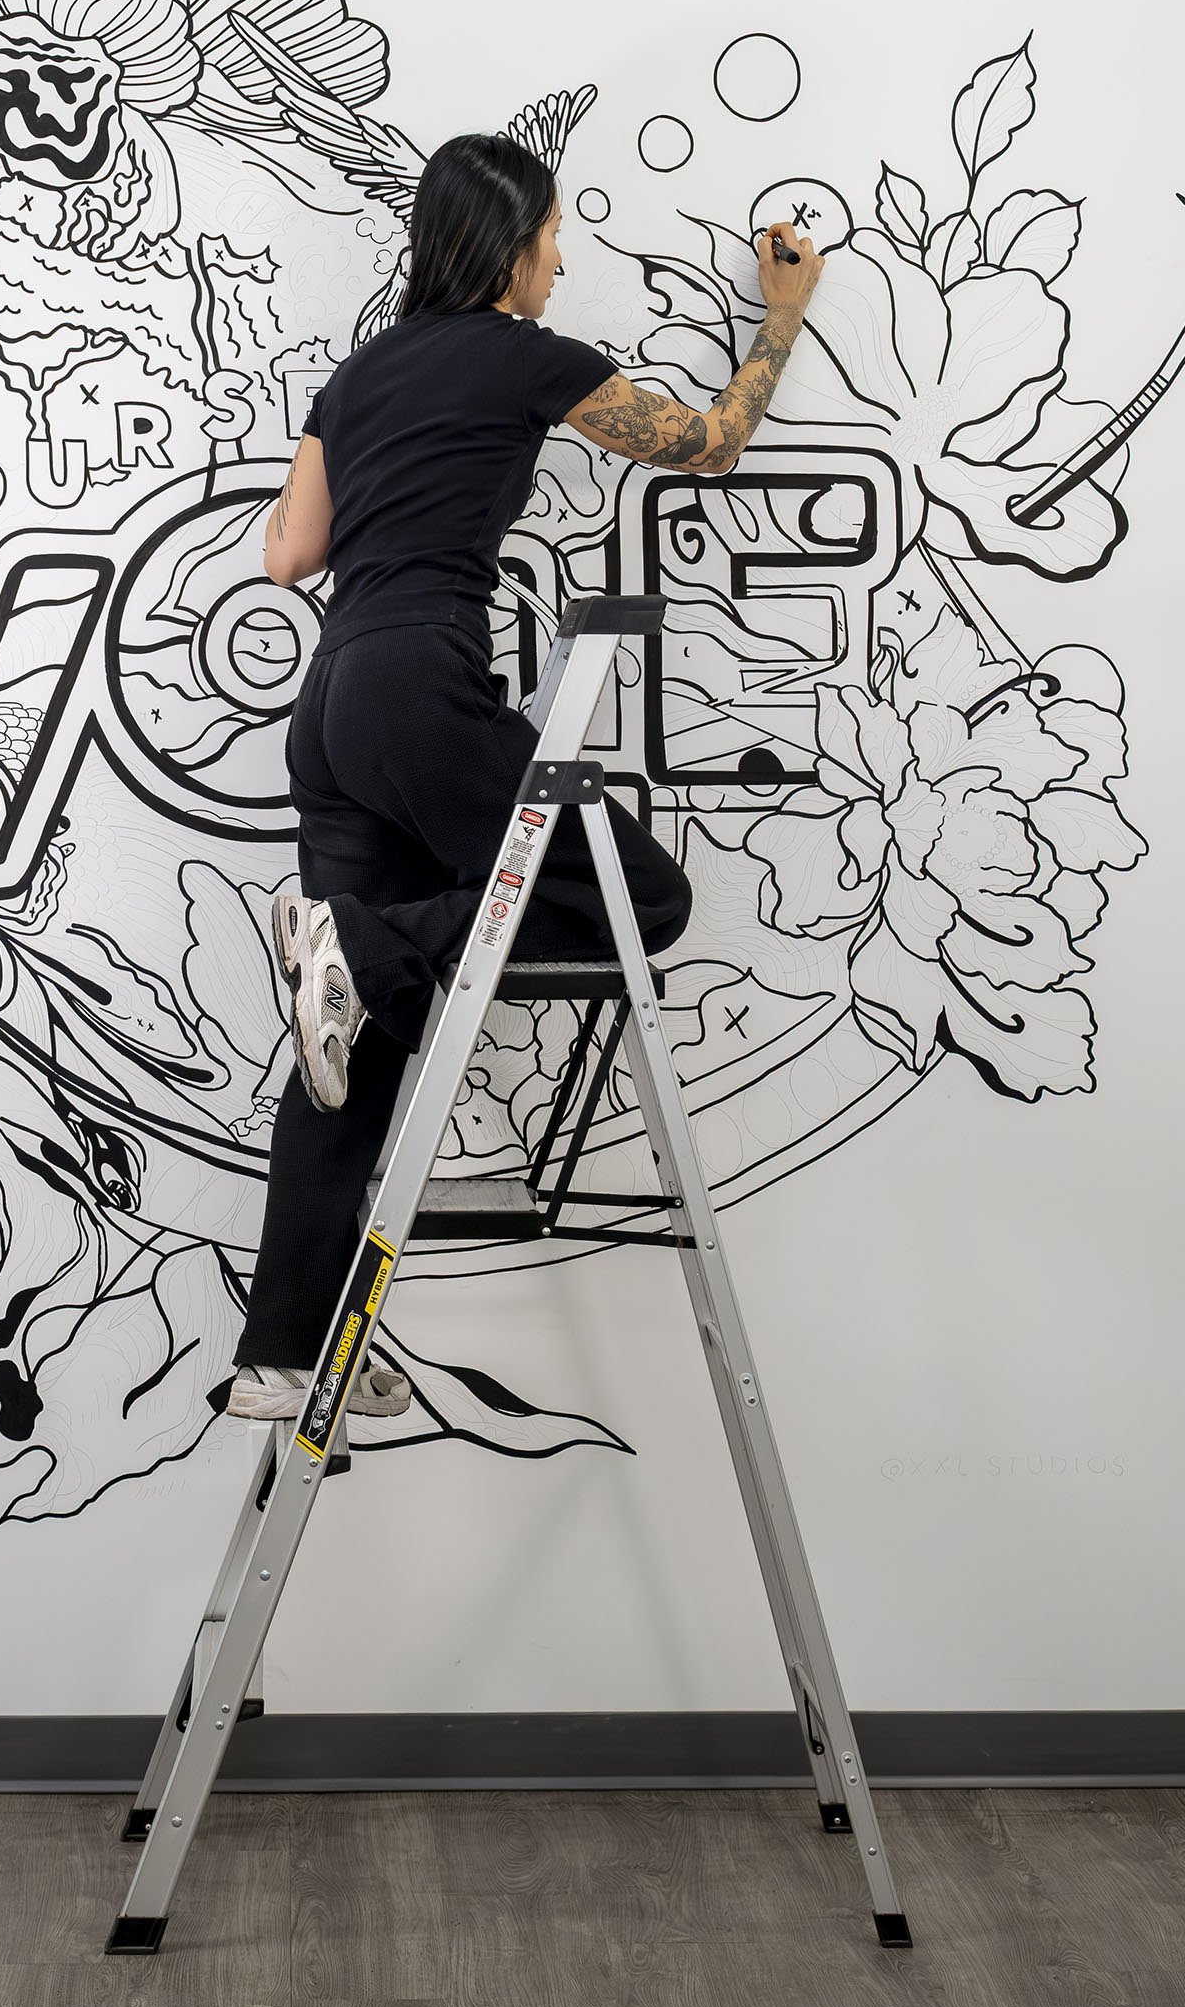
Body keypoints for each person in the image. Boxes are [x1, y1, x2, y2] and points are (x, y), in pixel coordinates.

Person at [222, 132, 828, 1426]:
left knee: (353, 1041)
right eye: (553, 238)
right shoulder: (522, 358)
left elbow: (288, 552)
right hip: (418, 684)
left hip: (327, 705)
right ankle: (365, 942)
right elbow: (710, 445)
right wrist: (781, 319)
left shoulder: (359, 374)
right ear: (510, 243)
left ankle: (279, 1354)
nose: (562, 262)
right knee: (644, 901)